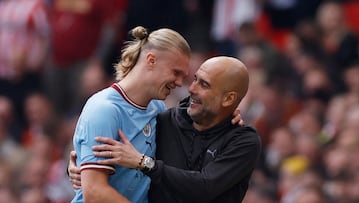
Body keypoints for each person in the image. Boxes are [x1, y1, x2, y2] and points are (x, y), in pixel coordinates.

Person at [69, 56, 262, 202]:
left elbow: (205, 186)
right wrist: (79, 168)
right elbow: (114, 152)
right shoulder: (164, 120)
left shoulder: (243, 141)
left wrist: (145, 163)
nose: (191, 89)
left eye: (204, 84)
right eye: (195, 79)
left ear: (229, 99)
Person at [70, 25, 191, 203]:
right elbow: (94, 193)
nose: (180, 82)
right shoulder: (104, 109)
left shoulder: (157, 108)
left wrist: (228, 117)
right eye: (176, 72)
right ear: (151, 60)